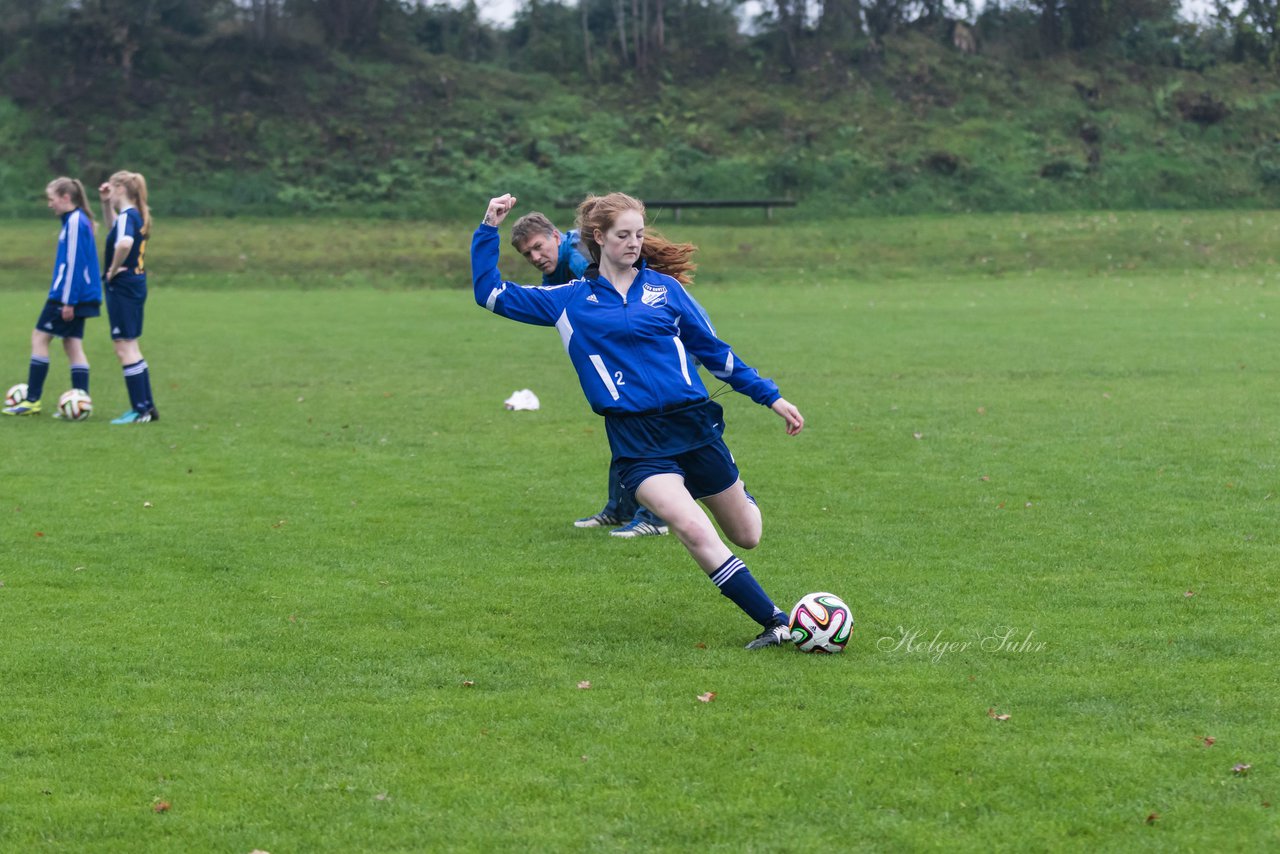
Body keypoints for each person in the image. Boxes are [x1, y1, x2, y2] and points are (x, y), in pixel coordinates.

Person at [472, 192, 805, 649]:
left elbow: (715, 352)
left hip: (694, 426)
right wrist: (488, 227)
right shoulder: (569, 299)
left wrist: (771, 397)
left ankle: (736, 489)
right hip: (637, 441)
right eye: (623, 235)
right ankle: (776, 621)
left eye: (639, 234)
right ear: (598, 238)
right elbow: (489, 293)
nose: (634, 243)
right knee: (691, 528)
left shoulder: (666, 291)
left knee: (747, 534)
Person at [509, 210, 669, 539]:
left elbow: (623, 301)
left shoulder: (583, 258)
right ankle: (621, 508)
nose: (536, 257)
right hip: (633, 353)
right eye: (528, 254)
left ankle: (655, 516)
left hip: (659, 346)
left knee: (648, 430)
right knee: (624, 426)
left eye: (539, 247)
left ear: (555, 236)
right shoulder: (559, 274)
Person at [3, 178, 102, 417]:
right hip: (80, 294)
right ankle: (81, 400)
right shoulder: (75, 220)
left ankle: (32, 400)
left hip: (68, 296)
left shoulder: (76, 222)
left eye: (51, 199)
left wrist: (68, 300)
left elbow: (74, 264)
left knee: (40, 338)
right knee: (72, 344)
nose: (50, 204)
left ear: (65, 197)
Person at [98, 170, 159, 424]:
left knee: (123, 346)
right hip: (135, 281)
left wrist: (112, 270)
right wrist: (104, 203)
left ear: (120, 189)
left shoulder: (127, 216)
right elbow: (114, 228)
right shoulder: (135, 214)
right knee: (131, 345)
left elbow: (123, 243)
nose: (109, 194)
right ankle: (147, 407)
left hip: (123, 284)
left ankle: (139, 410)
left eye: (110, 190)